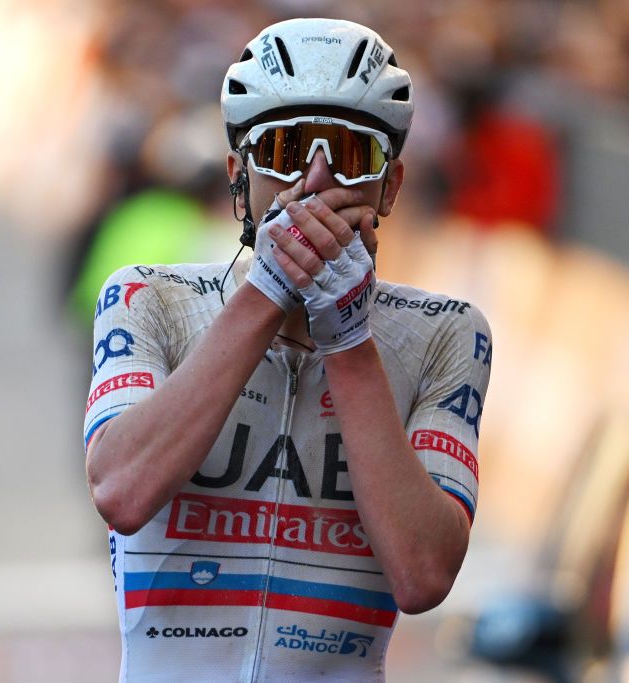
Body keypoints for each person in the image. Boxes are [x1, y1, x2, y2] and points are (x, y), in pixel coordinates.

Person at [84, 17, 492, 682]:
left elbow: (422, 574)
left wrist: (351, 340)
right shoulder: (148, 299)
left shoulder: (444, 331)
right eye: (286, 147)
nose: (316, 180)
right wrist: (266, 292)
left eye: (353, 154)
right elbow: (123, 491)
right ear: (237, 179)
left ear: (389, 188)